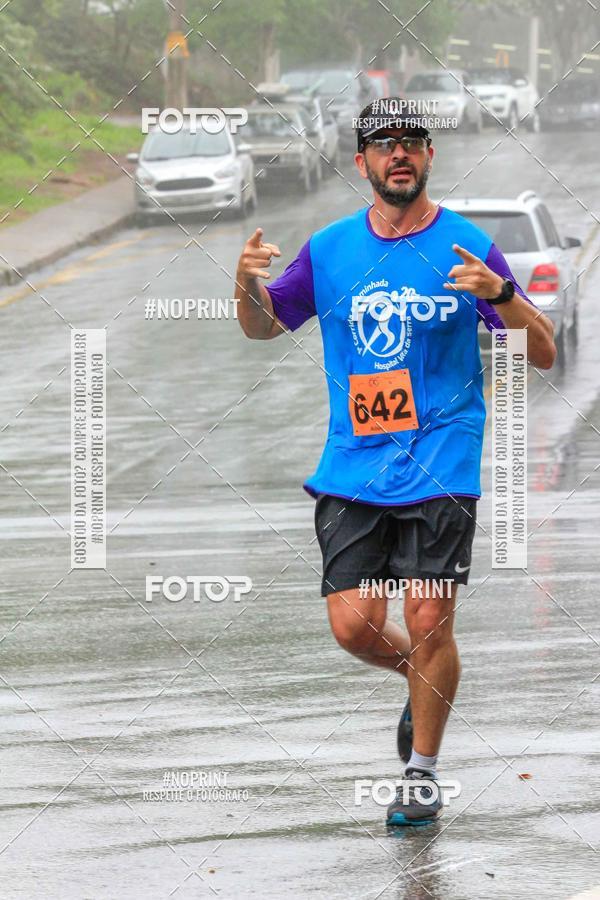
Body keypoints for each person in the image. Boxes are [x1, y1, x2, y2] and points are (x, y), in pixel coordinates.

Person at [233, 100, 556, 826]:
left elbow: (542, 352)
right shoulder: (330, 248)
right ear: (363, 163)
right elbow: (265, 327)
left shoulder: (467, 246)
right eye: (384, 145)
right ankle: (421, 681)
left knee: (429, 614)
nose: (398, 154)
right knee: (352, 626)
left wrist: (502, 296)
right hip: (353, 467)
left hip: (443, 460)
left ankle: (422, 774)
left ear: (430, 155)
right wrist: (243, 284)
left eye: (411, 142)